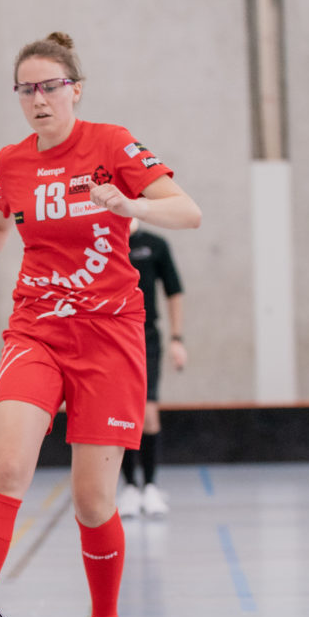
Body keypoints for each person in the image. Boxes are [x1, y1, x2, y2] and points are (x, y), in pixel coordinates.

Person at [0, 32, 201, 617]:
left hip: (109, 337)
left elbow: (187, 212)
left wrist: (128, 203)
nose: (39, 99)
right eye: (27, 89)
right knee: (9, 467)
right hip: (37, 331)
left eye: (51, 86)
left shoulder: (111, 145)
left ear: (75, 89)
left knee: (92, 501)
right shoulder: (14, 161)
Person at [117, 217, 187, 518]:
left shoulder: (155, 245)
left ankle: (151, 486)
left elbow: (174, 291)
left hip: (146, 339)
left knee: (148, 413)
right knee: (120, 416)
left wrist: (176, 338)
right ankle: (130, 486)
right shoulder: (103, 243)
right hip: (112, 339)